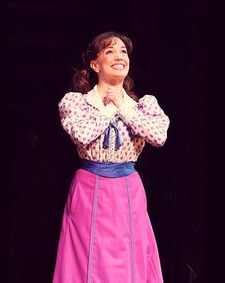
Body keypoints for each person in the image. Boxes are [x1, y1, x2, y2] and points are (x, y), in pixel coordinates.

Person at [52, 31, 170, 283]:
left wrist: (124, 107)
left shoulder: (142, 105)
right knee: (87, 260)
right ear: (95, 64)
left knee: (129, 259)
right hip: (89, 188)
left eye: (123, 52)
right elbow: (82, 134)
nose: (119, 56)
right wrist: (108, 107)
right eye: (110, 51)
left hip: (127, 190)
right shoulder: (76, 103)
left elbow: (159, 136)